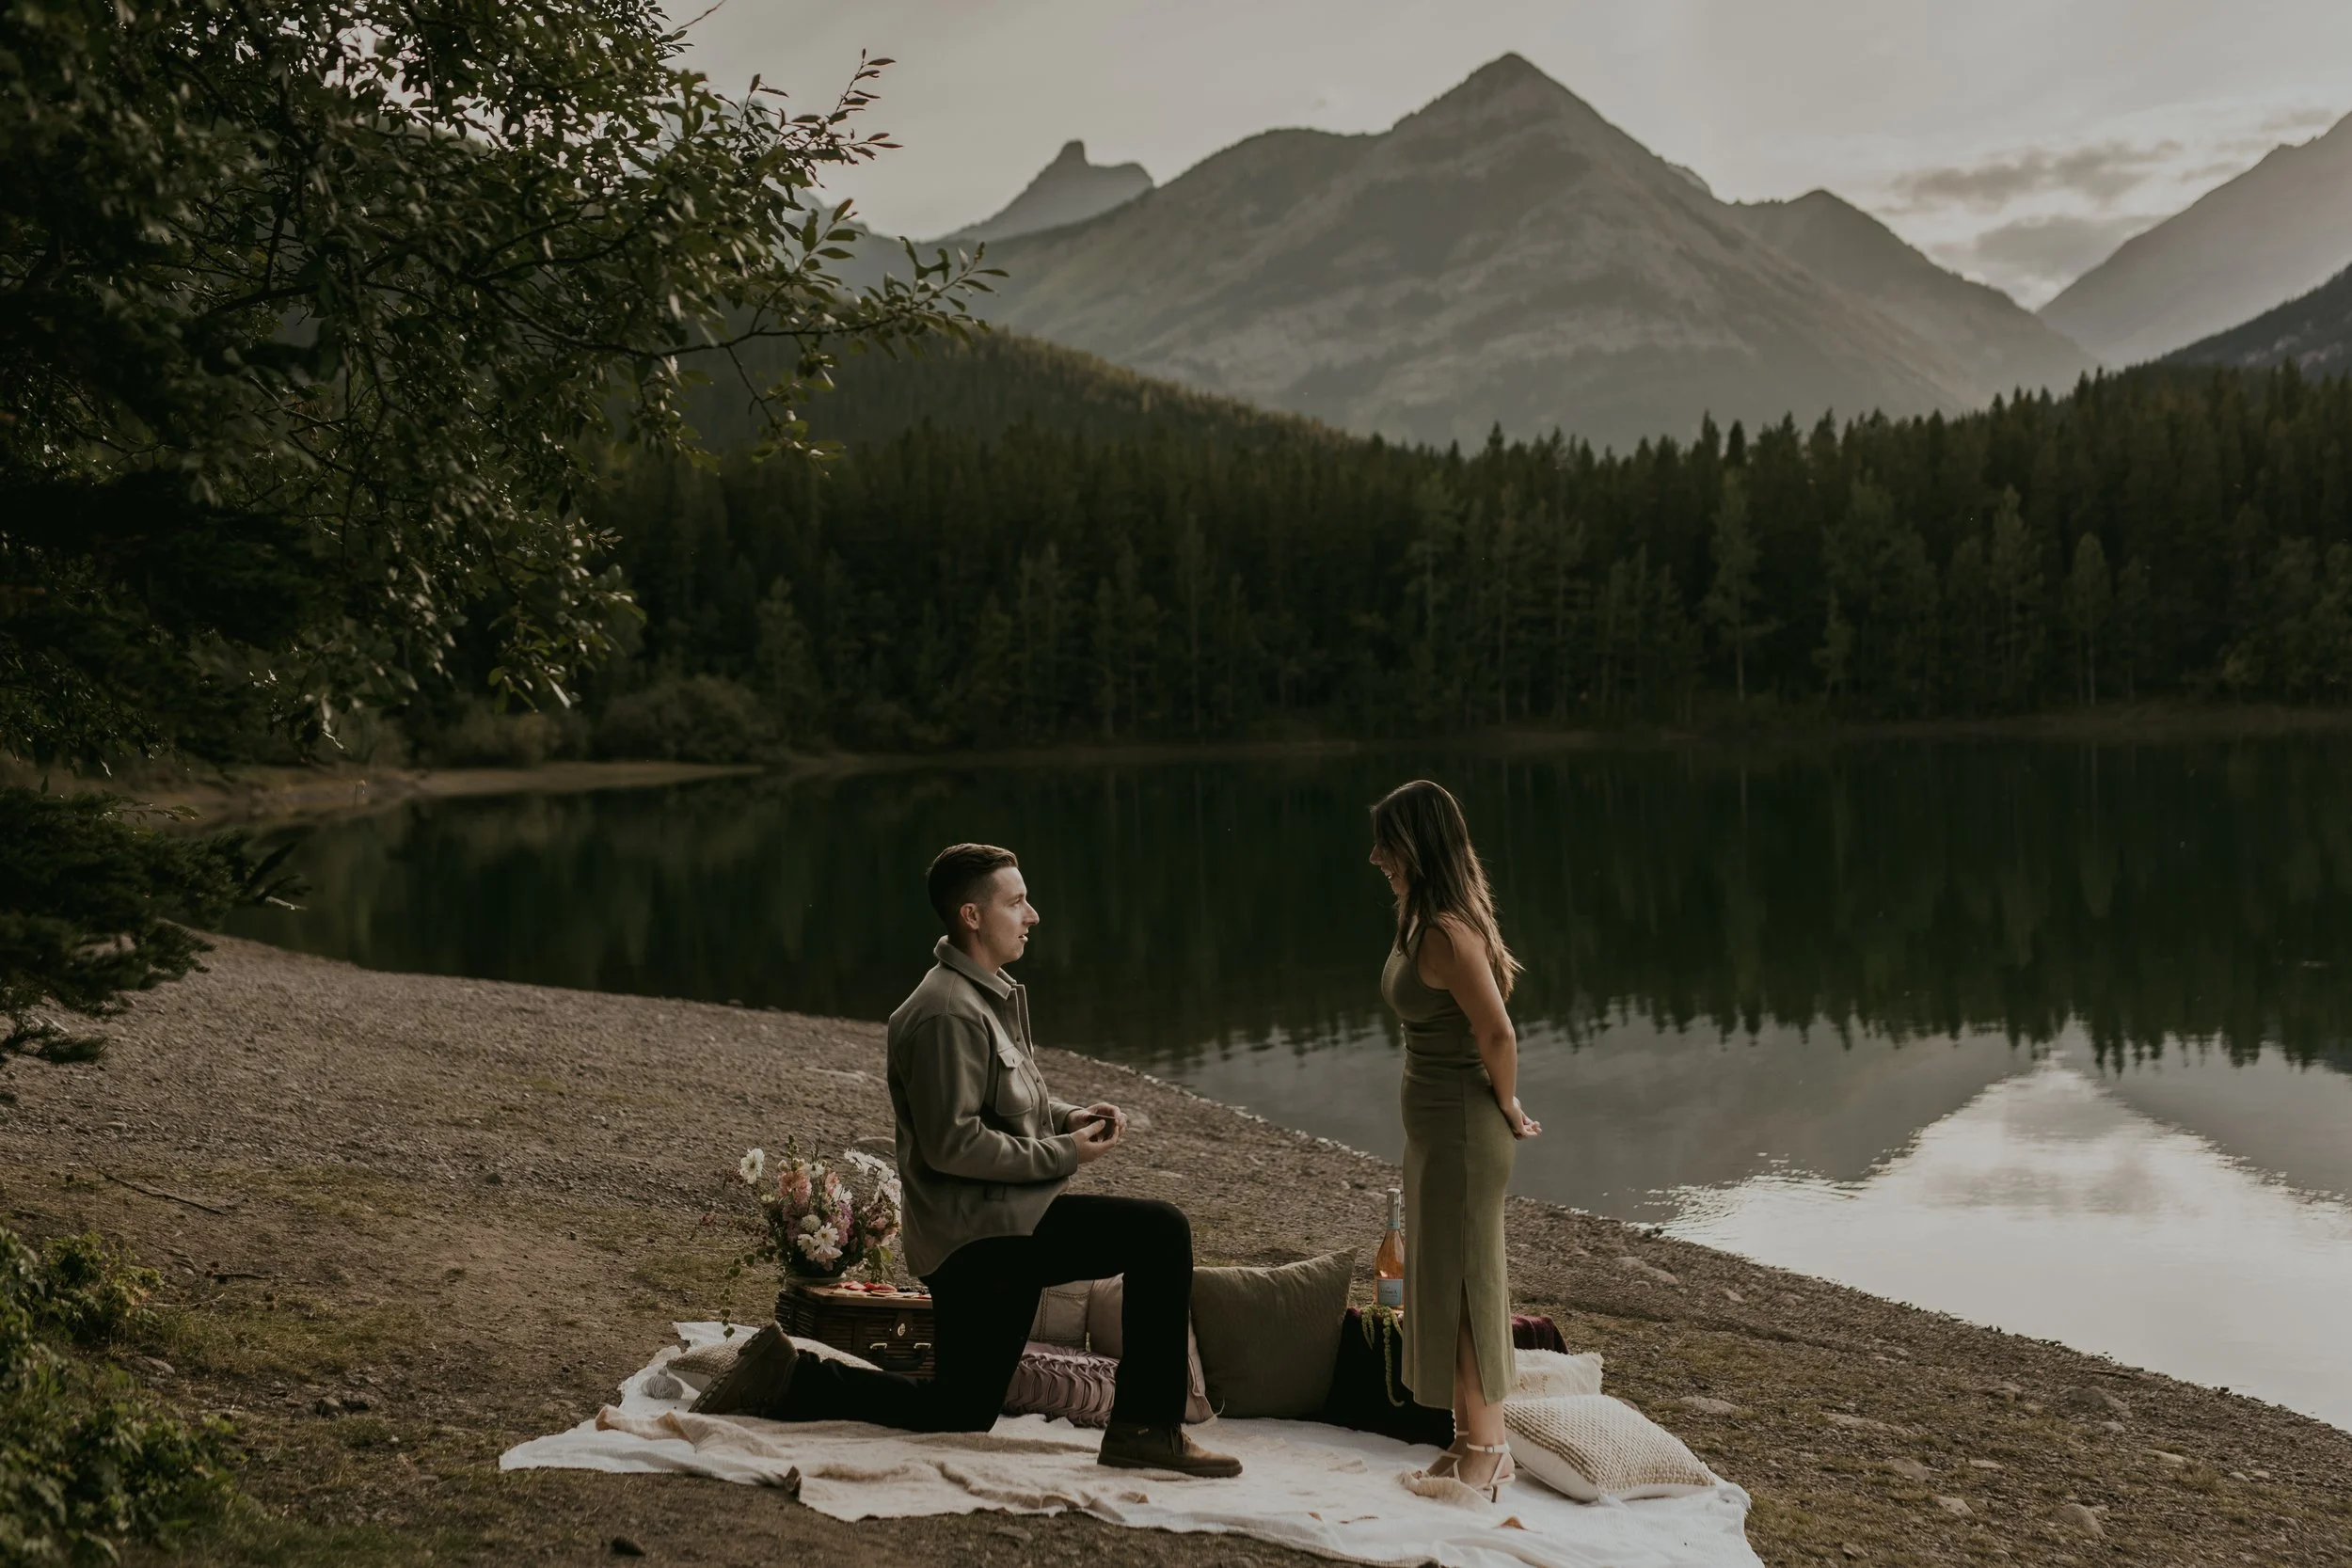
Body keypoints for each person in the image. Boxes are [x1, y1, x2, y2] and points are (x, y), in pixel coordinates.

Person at [693, 842, 1241, 1478]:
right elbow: (953, 1144)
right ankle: (1146, 1428)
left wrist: (1067, 1116)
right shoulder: (944, 1012)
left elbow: (1003, 1096)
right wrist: (1064, 1152)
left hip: (997, 1229)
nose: (1031, 915)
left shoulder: (981, 996)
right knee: (1159, 1232)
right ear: (972, 915)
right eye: (1016, 901)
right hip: (981, 1241)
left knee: (958, 1409)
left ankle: (791, 1376)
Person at [1368, 781, 1541, 1504]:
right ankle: (1466, 1436)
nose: (1375, 855)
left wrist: (1505, 1102)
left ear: (1417, 844)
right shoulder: (1422, 917)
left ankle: (1492, 1449)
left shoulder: (1447, 930)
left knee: (1471, 1287)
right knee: (1439, 1278)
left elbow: (1497, 1031)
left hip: (1466, 1131)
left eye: (1387, 842)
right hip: (1435, 1129)